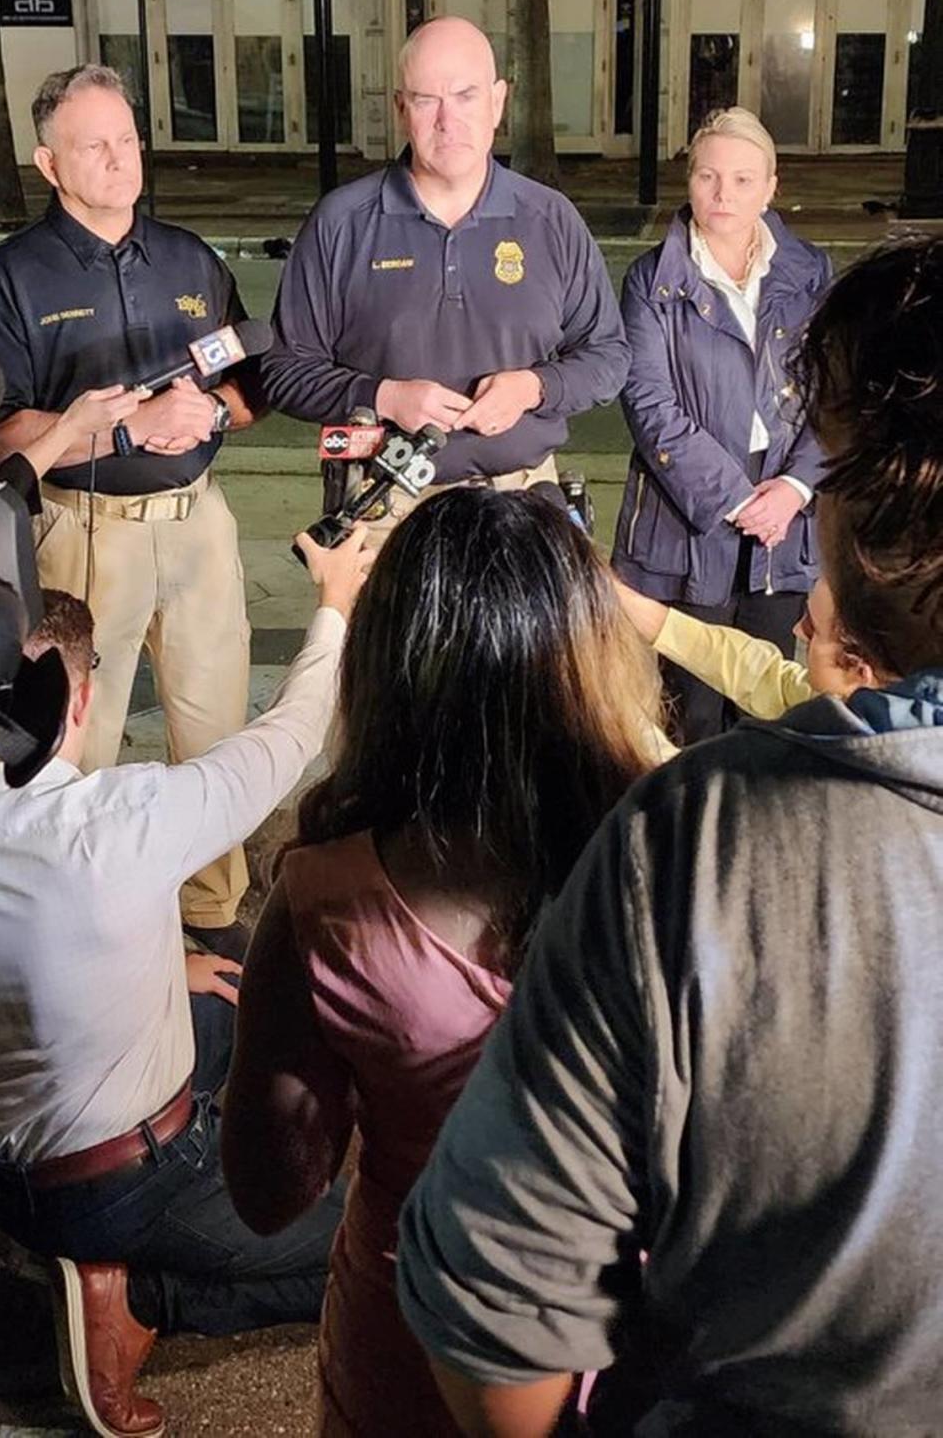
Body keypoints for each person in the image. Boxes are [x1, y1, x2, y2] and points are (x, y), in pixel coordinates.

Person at [398, 234, 943, 1435]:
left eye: (832, 463)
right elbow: (746, 665)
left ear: (871, 530)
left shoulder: (694, 848)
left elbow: (501, 1339)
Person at [220, 486, 664, 1437]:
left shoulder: (324, 899)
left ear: (388, 665)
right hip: (636, 1332)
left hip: (418, 1334)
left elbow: (269, 1191)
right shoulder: (680, 857)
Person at [0, 526, 371, 1438]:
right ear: (79, 701)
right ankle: (140, 1297)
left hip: (9, 1160)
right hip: (114, 1182)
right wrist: (334, 605)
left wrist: (163, 964)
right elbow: (293, 733)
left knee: (218, 994)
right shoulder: (127, 818)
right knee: (378, 1247)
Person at [0, 64, 260, 958]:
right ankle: (77, 915)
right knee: (73, 732)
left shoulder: (190, 260)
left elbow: (250, 383)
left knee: (214, 721)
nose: (119, 159)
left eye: (128, 139)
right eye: (93, 145)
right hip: (81, 529)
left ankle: (213, 912)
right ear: (47, 162)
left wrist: (212, 412)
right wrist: (130, 427)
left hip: (198, 523)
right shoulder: (8, 279)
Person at [261, 17, 629, 539]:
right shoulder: (341, 223)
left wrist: (534, 387)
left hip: (523, 507)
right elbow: (282, 371)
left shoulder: (551, 219)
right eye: (426, 99)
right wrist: (382, 396)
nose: (447, 120)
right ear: (400, 108)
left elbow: (609, 357)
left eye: (465, 95)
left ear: (498, 102)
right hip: (384, 512)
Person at [611, 106, 832, 743]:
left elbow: (835, 391)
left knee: (771, 703)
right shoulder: (652, 281)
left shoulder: (810, 273)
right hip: (689, 513)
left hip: (784, 518)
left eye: (742, 180)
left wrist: (794, 489)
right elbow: (649, 405)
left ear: (771, 185)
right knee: (689, 708)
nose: (723, 194)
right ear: (691, 181)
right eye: (709, 176)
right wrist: (736, 498)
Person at [616, 572, 876, 720]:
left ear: (860, 673)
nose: (798, 630)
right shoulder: (841, 703)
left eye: (813, 630)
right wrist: (616, 592)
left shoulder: (837, 767)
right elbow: (758, 673)